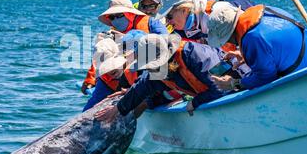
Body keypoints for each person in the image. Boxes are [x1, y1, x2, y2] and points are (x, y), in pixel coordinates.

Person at [94, 34, 226, 122]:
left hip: (233, 90)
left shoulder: (195, 55)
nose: (154, 70)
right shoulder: (155, 71)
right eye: (150, 67)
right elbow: (140, 89)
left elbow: (222, 88)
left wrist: (195, 102)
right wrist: (117, 109)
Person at [207, 2, 307, 91]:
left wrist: (234, 84)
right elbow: (278, 44)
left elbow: (266, 78)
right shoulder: (266, 10)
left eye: (227, 40)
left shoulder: (252, 38)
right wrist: (246, 55)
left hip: (305, 77)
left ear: (230, 34)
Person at [81, 0, 168, 94]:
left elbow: (165, 43)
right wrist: (90, 79)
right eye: (111, 17)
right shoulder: (110, 34)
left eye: (119, 15)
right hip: (113, 81)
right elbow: (100, 57)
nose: (116, 19)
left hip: (144, 77)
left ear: (130, 14)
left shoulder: (151, 23)